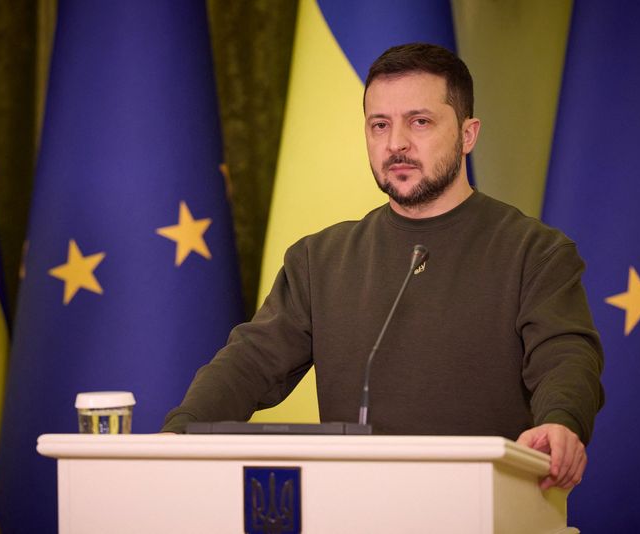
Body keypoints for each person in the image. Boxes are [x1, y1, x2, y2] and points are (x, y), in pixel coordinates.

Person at [162, 43, 604, 491]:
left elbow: (564, 356)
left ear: (468, 134)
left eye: (420, 122)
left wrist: (562, 421)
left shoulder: (535, 251)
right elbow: (250, 362)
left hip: (491, 503)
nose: (396, 144)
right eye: (379, 125)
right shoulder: (319, 260)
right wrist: (180, 431)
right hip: (351, 505)